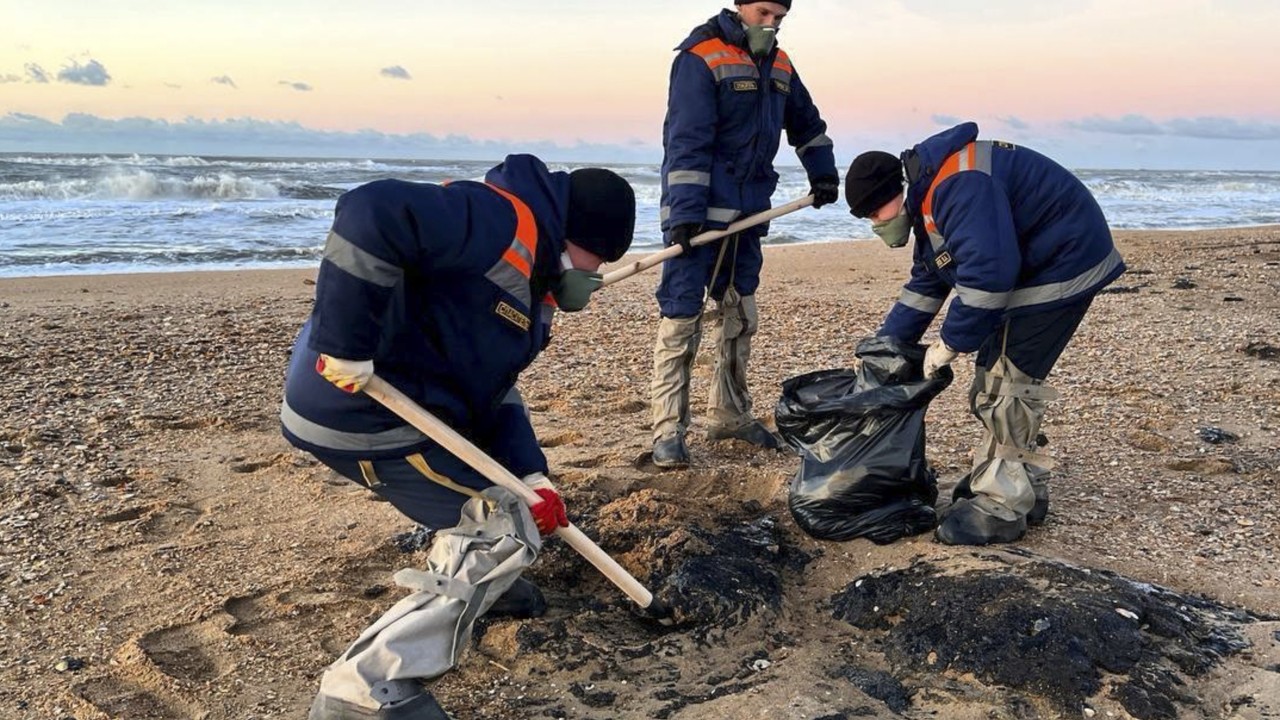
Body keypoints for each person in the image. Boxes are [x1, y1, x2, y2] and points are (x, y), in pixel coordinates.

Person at [280, 154, 635, 718]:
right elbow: (370, 211)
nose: (594, 276)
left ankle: (484, 587)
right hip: (364, 411)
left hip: (417, 412)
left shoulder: (535, 285)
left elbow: (495, 394)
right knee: (502, 528)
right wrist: (345, 344)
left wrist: (530, 473)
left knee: (512, 506)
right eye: (598, 260)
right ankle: (364, 688)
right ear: (576, 235)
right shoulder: (496, 221)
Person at [843, 121, 1126, 546]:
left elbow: (989, 277)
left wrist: (949, 345)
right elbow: (929, 281)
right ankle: (1022, 484)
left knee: (1006, 383)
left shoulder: (957, 187)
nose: (874, 224)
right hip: (1038, 261)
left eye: (873, 214)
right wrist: (886, 347)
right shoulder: (930, 198)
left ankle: (1002, 506)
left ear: (893, 195)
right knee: (997, 378)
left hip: (1062, 264)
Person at [650, 0, 839, 469]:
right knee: (681, 316)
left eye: (780, 17)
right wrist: (685, 215)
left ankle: (730, 415)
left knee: (739, 311)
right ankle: (668, 431)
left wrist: (824, 173)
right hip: (699, 216)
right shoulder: (700, 56)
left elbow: (807, 125)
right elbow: (686, 139)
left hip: (751, 212)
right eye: (764, 13)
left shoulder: (780, 63)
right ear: (740, 7)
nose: (771, 24)